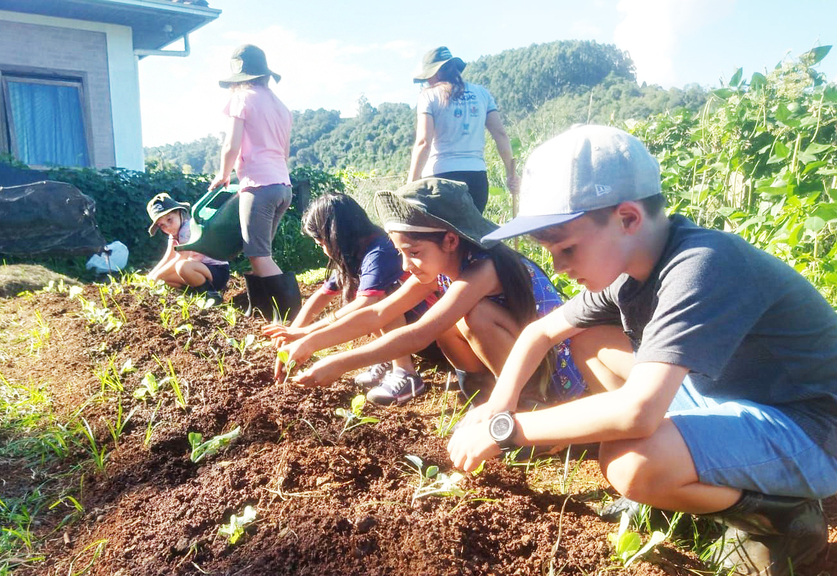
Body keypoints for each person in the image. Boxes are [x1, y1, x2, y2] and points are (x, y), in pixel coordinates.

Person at [447, 125, 837, 576]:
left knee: (630, 463)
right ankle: (685, 480)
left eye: (566, 248)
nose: (560, 267)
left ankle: (782, 520)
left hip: (819, 431)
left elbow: (638, 413)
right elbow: (539, 334)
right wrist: (497, 404)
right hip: (735, 397)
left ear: (627, 218)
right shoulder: (633, 272)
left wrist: (508, 429)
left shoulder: (701, 264)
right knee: (588, 338)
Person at [286, 178, 631, 410]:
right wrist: (310, 342)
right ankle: (485, 392)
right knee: (454, 318)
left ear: (450, 240)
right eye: (400, 252)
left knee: (471, 316)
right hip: (517, 361)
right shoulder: (442, 268)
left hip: (557, 371)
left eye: (414, 252)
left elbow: (419, 333)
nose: (406, 265)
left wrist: (340, 362)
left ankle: (528, 406)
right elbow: (379, 313)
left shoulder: (484, 269)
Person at [262, 194, 433, 404]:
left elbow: (368, 306)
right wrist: (292, 333)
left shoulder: (381, 252)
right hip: (414, 329)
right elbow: (322, 295)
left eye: (321, 242)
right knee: (367, 296)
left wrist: (306, 334)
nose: (323, 250)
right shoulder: (354, 253)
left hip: (430, 329)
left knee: (380, 296)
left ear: (336, 235)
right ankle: (387, 356)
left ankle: (405, 372)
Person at [209, 44, 300, 321]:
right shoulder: (281, 107)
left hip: (258, 186)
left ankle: (291, 316)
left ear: (240, 78)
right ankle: (261, 311)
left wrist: (223, 174)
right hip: (282, 186)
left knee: (258, 254)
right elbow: (284, 153)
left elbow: (230, 145)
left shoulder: (242, 98)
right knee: (259, 253)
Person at [407, 46, 519, 213]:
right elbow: (501, 135)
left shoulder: (428, 96)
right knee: (471, 237)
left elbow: (424, 143)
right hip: (476, 180)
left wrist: (410, 186)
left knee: (443, 237)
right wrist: (511, 174)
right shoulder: (482, 94)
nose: (427, 82)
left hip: (440, 180)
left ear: (435, 73)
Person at [145, 193, 229, 297]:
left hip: (217, 271)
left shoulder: (187, 229)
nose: (168, 227)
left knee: (182, 266)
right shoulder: (174, 234)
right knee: (166, 278)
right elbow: (167, 258)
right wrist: (151, 276)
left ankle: (212, 295)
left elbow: (180, 259)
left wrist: (156, 277)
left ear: (180, 213)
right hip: (200, 271)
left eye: (169, 220)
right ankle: (196, 294)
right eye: (161, 225)